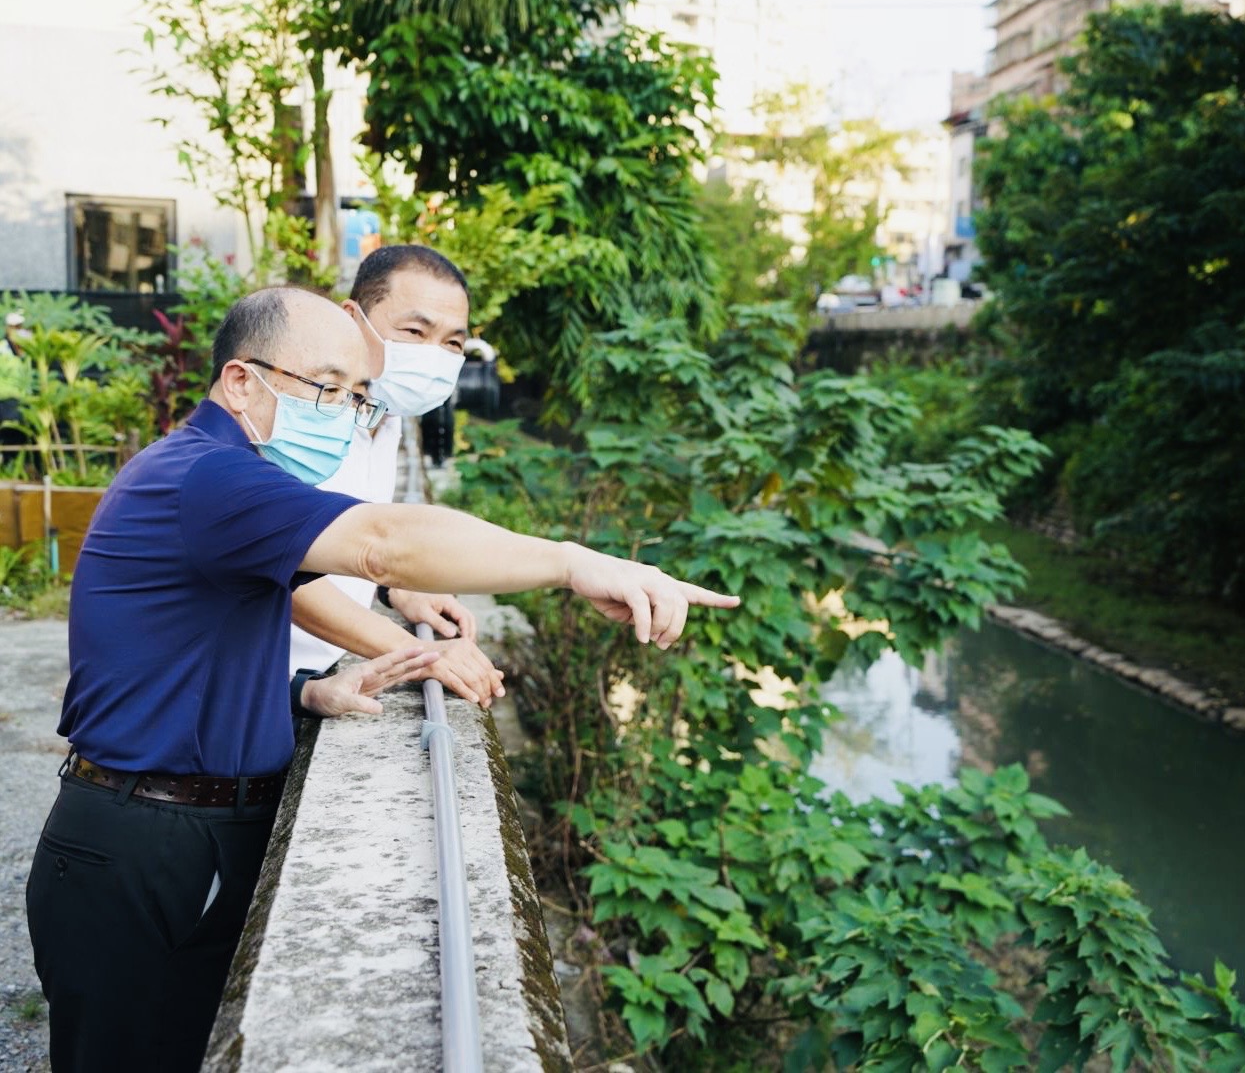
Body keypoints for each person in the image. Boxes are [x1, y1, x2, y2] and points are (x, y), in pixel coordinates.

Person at [26, 286, 739, 1073]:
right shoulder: (208, 481)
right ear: (240, 382)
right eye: (325, 388)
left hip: (182, 827)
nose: (341, 410)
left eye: (354, 395)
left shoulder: (223, 482)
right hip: (142, 843)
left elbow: (174, 655)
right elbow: (385, 544)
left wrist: (302, 695)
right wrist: (575, 562)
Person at [288, 245, 502, 710]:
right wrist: (413, 653)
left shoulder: (388, 415)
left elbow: (338, 540)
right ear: (351, 319)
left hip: (313, 680)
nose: (432, 355)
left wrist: (395, 589)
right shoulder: (300, 422)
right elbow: (275, 566)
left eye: (451, 343)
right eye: (413, 331)